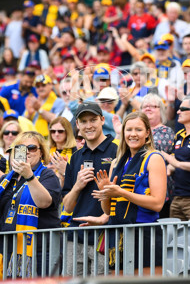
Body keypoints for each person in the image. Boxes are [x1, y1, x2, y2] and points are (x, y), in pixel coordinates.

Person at [0, 131, 61, 278]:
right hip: (8, 248)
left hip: (40, 249)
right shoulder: (9, 177)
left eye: (31, 148)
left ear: (41, 153)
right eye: (20, 148)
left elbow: (44, 202)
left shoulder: (47, 175)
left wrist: (29, 176)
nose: (26, 152)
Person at [94, 112, 166, 272]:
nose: (133, 134)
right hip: (117, 234)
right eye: (129, 129)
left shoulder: (154, 158)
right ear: (123, 132)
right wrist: (105, 193)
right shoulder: (116, 163)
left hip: (144, 233)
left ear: (147, 133)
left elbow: (157, 203)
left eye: (138, 130)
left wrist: (121, 192)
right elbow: (107, 210)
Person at [61, 102, 118, 276]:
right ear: (77, 125)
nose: (88, 125)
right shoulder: (76, 157)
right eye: (83, 121)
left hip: (105, 235)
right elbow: (68, 207)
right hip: (75, 235)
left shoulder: (117, 151)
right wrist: (77, 186)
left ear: (102, 120)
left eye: (93, 120)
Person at [161, 96, 190, 221]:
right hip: (177, 197)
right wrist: (167, 169)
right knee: (175, 240)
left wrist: (175, 163)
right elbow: (175, 161)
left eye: (182, 109)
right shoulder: (179, 135)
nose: (178, 112)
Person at [46, 117, 76, 187]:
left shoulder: (75, 151)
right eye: (53, 131)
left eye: (60, 131)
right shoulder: (46, 150)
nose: (56, 134)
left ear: (67, 131)